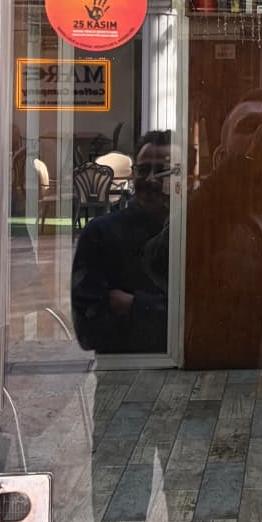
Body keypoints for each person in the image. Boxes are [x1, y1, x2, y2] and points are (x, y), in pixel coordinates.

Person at [70, 130, 173, 354]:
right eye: (143, 170)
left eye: (162, 170)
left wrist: (131, 305)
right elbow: (89, 331)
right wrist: (166, 311)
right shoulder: (99, 235)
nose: (151, 179)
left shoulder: (196, 235)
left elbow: (205, 319)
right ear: (133, 174)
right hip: (119, 368)